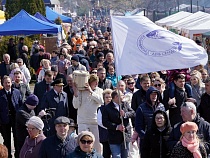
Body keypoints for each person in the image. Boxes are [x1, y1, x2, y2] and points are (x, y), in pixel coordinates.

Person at [73, 74, 103, 153]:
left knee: (96, 144)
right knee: (82, 142)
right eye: (94, 82)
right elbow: (75, 106)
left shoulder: (100, 90)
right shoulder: (81, 90)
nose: (96, 84)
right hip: (82, 121)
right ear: (89, 82)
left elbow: (102, 102)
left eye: (97, 82)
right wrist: (76, 93)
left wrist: (91, 92)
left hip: (95, 121)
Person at [102, 90, 135, 158]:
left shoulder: (125, 104)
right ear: (116, 97)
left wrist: (125, 114)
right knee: (116, 156)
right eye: (122, 95)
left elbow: (133, 113)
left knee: (125, 156)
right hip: (114, 137)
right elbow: (105, 122)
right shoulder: (107, 108)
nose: (123, 96)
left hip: (125, 135)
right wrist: (116, 127)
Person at [135, 86, 163, 155]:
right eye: (152, 94)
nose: (154, 96)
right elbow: (138, 126)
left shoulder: (161, 106)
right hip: (146, 140)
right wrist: (146, 137)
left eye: (155, 94)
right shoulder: (141, 108)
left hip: (159, 139)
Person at [0, 76, 22, 158]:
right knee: (7, 139)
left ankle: (17, 155)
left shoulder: (16, 92)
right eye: (6, 83)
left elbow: (20, 104)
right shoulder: (0, 93)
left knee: (17, 138)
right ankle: (8, 155)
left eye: (9, 82)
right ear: (3, 84)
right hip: (4, 120)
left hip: (15, 119)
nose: (8, 84)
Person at [97, 89, 112, 158]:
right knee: (106, 153)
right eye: (106, 97)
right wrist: (109, 126)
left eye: (110, 97)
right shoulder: (101, 109)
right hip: (105, 134)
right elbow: (99, 121)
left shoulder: (115, 107)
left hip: (114, 135)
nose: (108, 99)